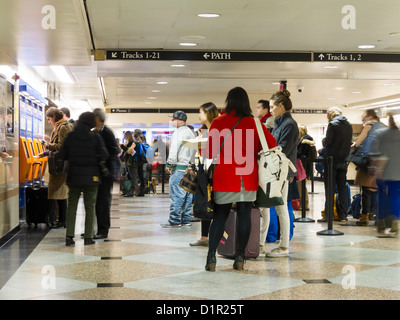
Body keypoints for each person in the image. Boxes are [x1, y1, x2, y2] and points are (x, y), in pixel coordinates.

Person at [205, 87, 276, 271]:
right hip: (247, 176)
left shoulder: (218, 122)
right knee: (245, 214)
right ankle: (239, 257)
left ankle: (211, 257)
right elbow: (272, 144)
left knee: (220, 216)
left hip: (225, 176)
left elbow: (210, 152)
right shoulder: (254, 123)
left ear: (228, 101)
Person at [57, 112, 109, 246]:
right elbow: (104, 155)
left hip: (74, 176)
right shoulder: (95, 137)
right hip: (92, 177)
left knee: (72, 206)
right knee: (90, 207)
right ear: (91, 123)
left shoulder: (71, 136)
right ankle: (88, 237)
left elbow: (62, 155)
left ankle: (69, 236)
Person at [264, 89, 299, 258]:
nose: (270, 110)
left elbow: (282, 149)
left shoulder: (289, 124)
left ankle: (284, 245)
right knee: (280, 207)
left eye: (272, 107)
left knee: (281, 207)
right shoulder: (280, 123)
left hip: (282, 172)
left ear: (281, 106)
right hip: (277, 170)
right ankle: (280, 244)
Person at [189, 102, 220, 247]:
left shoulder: (218, 129)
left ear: (208, 113)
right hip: (204, 169)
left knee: (216, 202)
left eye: (201, 112)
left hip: (215, 170)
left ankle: (219, 236)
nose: (199, 115)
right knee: (204, 200)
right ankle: (203, 236)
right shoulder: (203, 130)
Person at [38, 107, 72, 228]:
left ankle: (62, 220)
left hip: (60, 165)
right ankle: (62, 219)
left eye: (48, 119)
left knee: (60, 193)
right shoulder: (61, 126)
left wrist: (47, 146)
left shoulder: (62, 127)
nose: (48, 122)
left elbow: (61, 146)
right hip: (59, 164)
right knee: (60, 193)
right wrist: (46, 152)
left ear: (53, 117)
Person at [161, 110, 196, 228]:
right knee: (188, 195)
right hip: (189, 169)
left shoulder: (178, 133)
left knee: (177, 195)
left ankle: (174, 220)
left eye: (174, 119)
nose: (172, 121)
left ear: (180, 121)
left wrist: (169, 163)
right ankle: (186, 219)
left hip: (179, 168)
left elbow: (174, 149)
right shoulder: (191, 133)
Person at [319, 107, 353, 222]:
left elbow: (328, 141)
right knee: (342, 188)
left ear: (330, 115)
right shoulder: (348, 124)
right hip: (344, 161)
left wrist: (323, 141)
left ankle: (329, 215)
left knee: (330, 188)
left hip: (332, 160)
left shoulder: (332, 124)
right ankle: (343, 215)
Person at [352, 110, 385, 226]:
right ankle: (374, 214)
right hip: (381, 162)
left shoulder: (369, 126)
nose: (363, 121)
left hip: (368, 161)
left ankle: (364, 216)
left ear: (370, 116)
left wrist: (353, 147)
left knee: (365, 189)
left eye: (363, 118)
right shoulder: (384, 127)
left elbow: (359, 142)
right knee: (376, 188)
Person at [368, 113, 400, 233]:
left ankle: (381, 222)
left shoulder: (380, 134)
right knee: (396, 196)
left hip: (383, 171)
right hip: (398, 172)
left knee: (381, 196)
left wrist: (374, 170)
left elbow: (375, 153)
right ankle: (396, 221)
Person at [92, 108, 120, 239]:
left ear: (98, 118)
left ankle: (103, 230)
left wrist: (103, 157)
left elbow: (114, 150)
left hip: (106, 173)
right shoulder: (96, 131)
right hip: (98, 172)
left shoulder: (106, 132)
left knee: (103, 202)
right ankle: (95, 228)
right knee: (96, 202)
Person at [297, 124, 316, 210]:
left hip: (302, 166)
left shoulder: (305, 140)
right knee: (302, 186)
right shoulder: (307, 139)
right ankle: (304, 204)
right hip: (305, 166)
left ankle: (304, 204)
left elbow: (300, 153)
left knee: (301, 186)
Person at [120, 131, 135, 197]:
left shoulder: (132, 143)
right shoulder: (128, 143)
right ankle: (127, 190)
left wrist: (122, 146)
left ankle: (130, 191)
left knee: (130, 176)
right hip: (127, 162)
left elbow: (129, 152)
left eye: (125, 135)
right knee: (128, 176)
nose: (124, 136)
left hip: (130, 162)